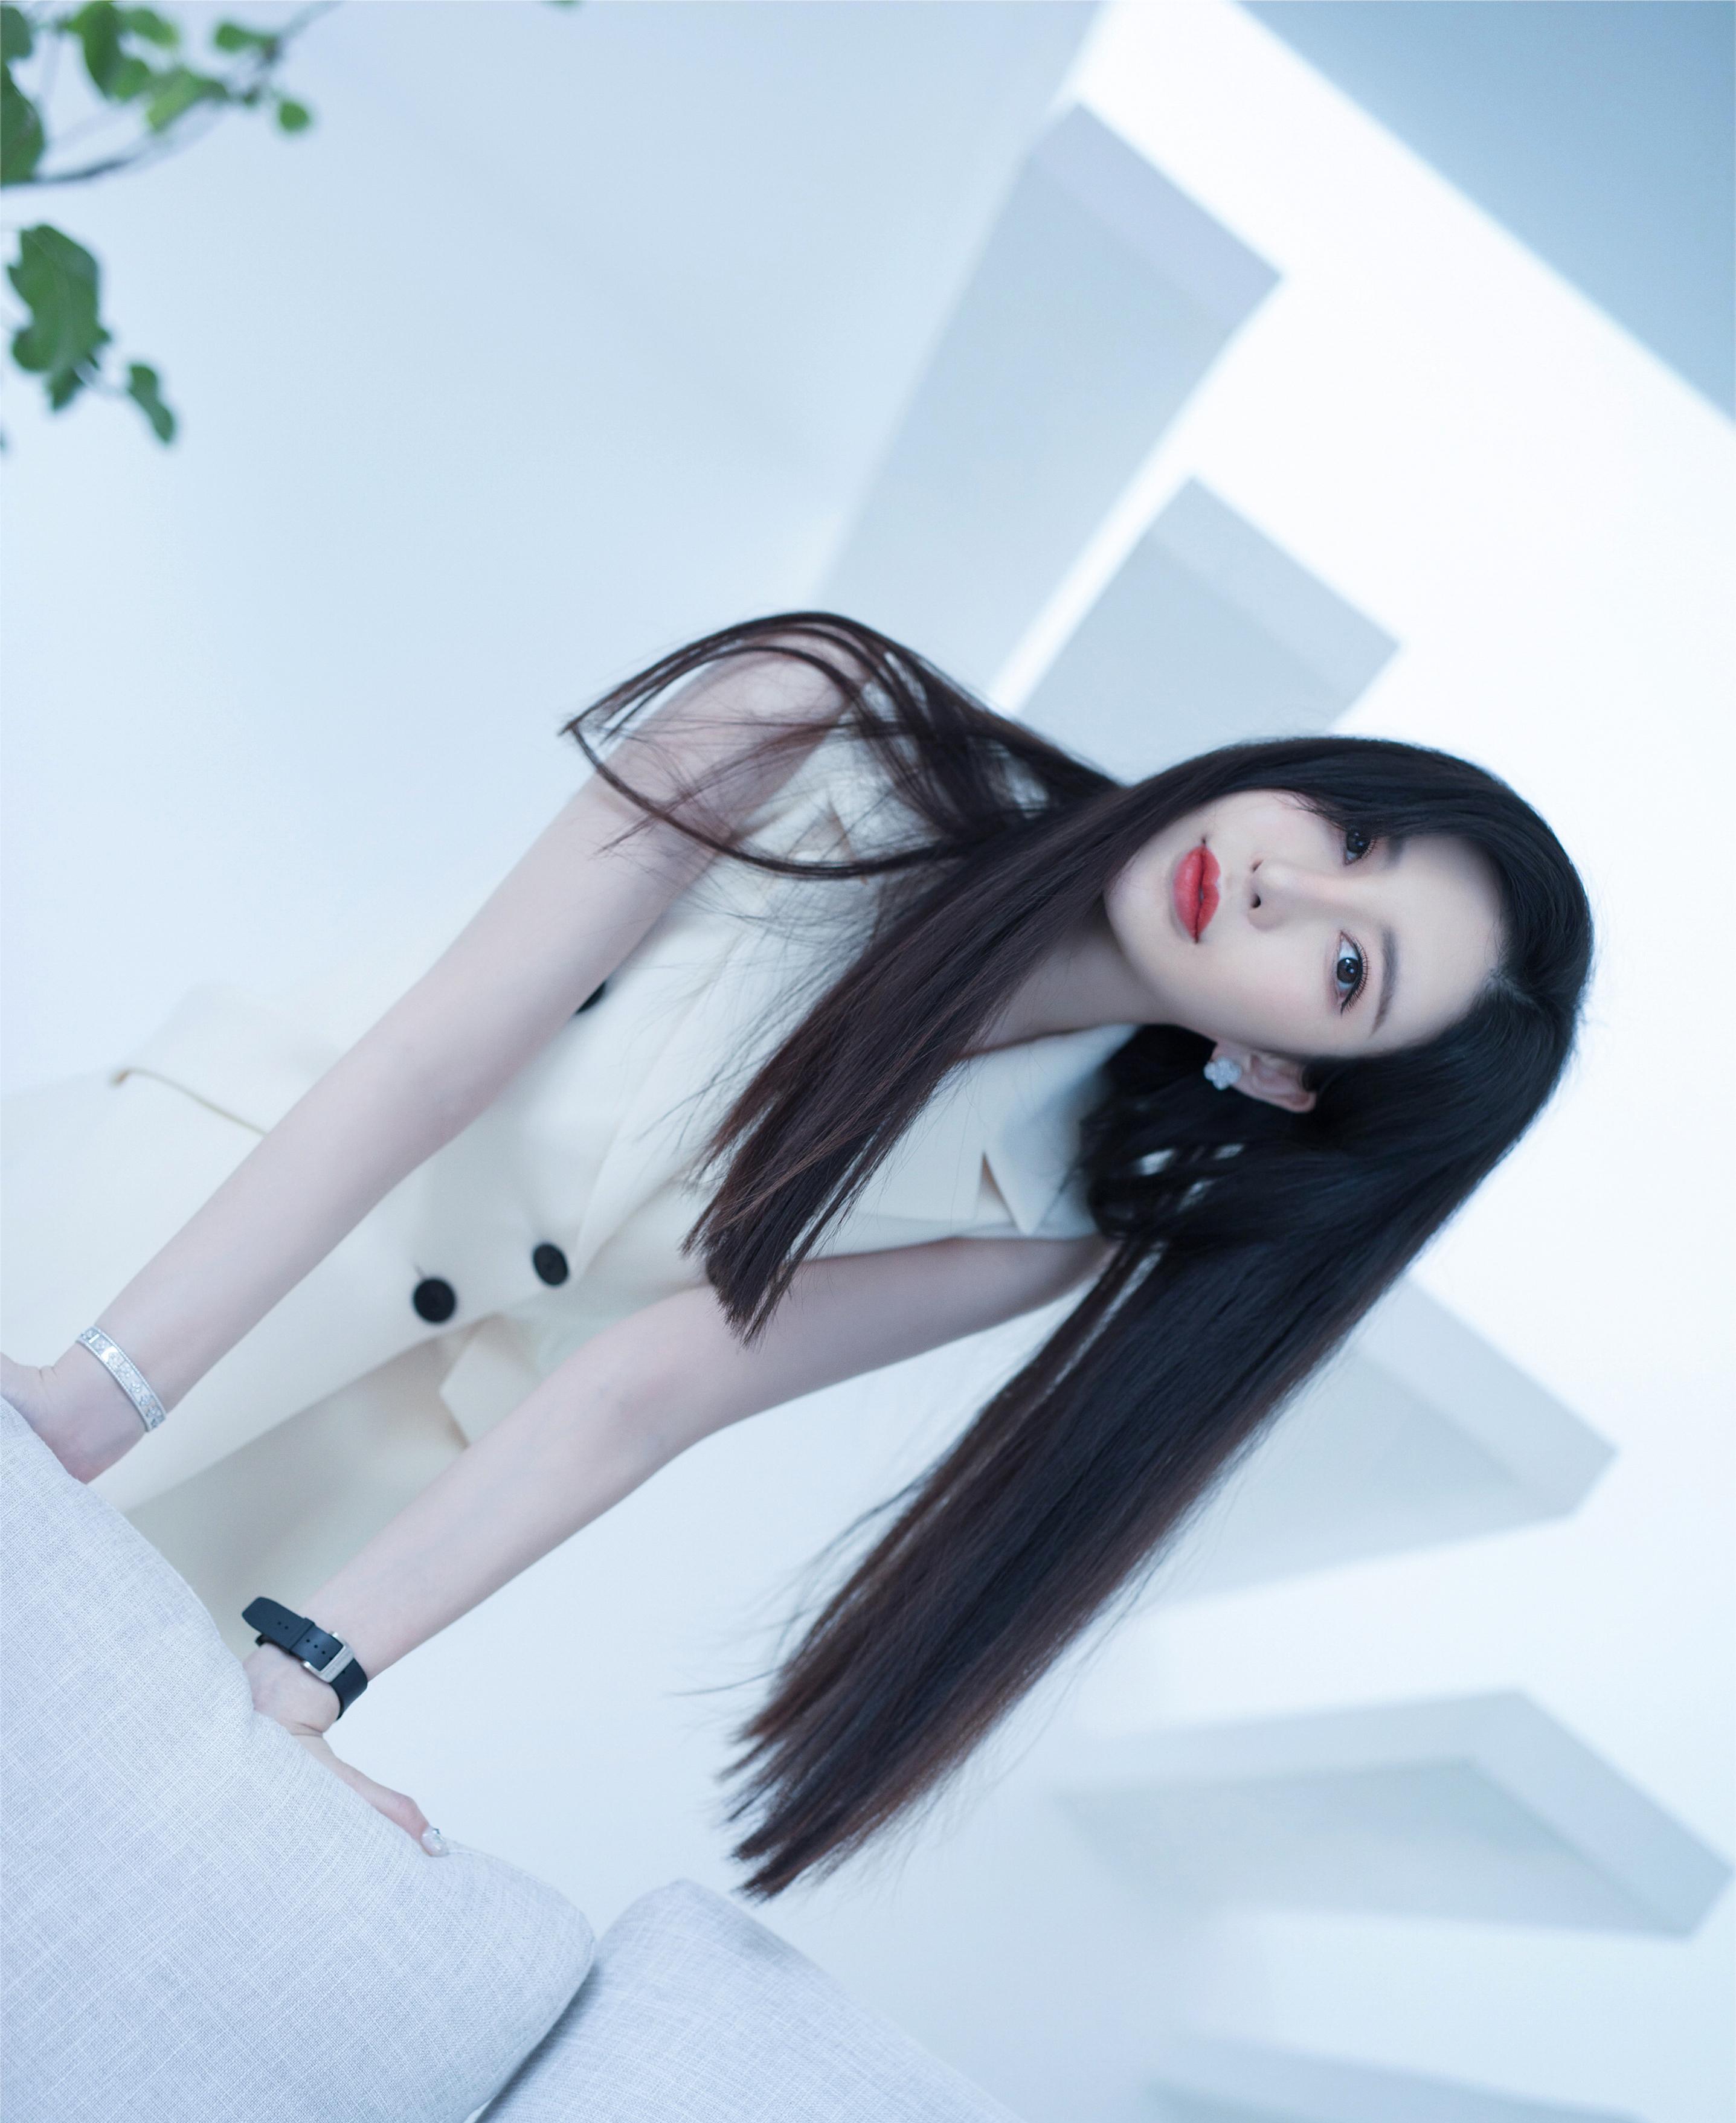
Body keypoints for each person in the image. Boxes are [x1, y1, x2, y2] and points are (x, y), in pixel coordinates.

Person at [1, 612, 1593, 1895]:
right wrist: (92, 1392)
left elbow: (640, 1395)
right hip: (170, 1259)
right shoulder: (811, 717)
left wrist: (311, 1676)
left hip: (339, 1480)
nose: (1281, 882)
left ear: (1291, 1080)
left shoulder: (1045, 1217)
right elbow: (437, 1059)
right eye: (1350, 829)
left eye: (1343, 964)